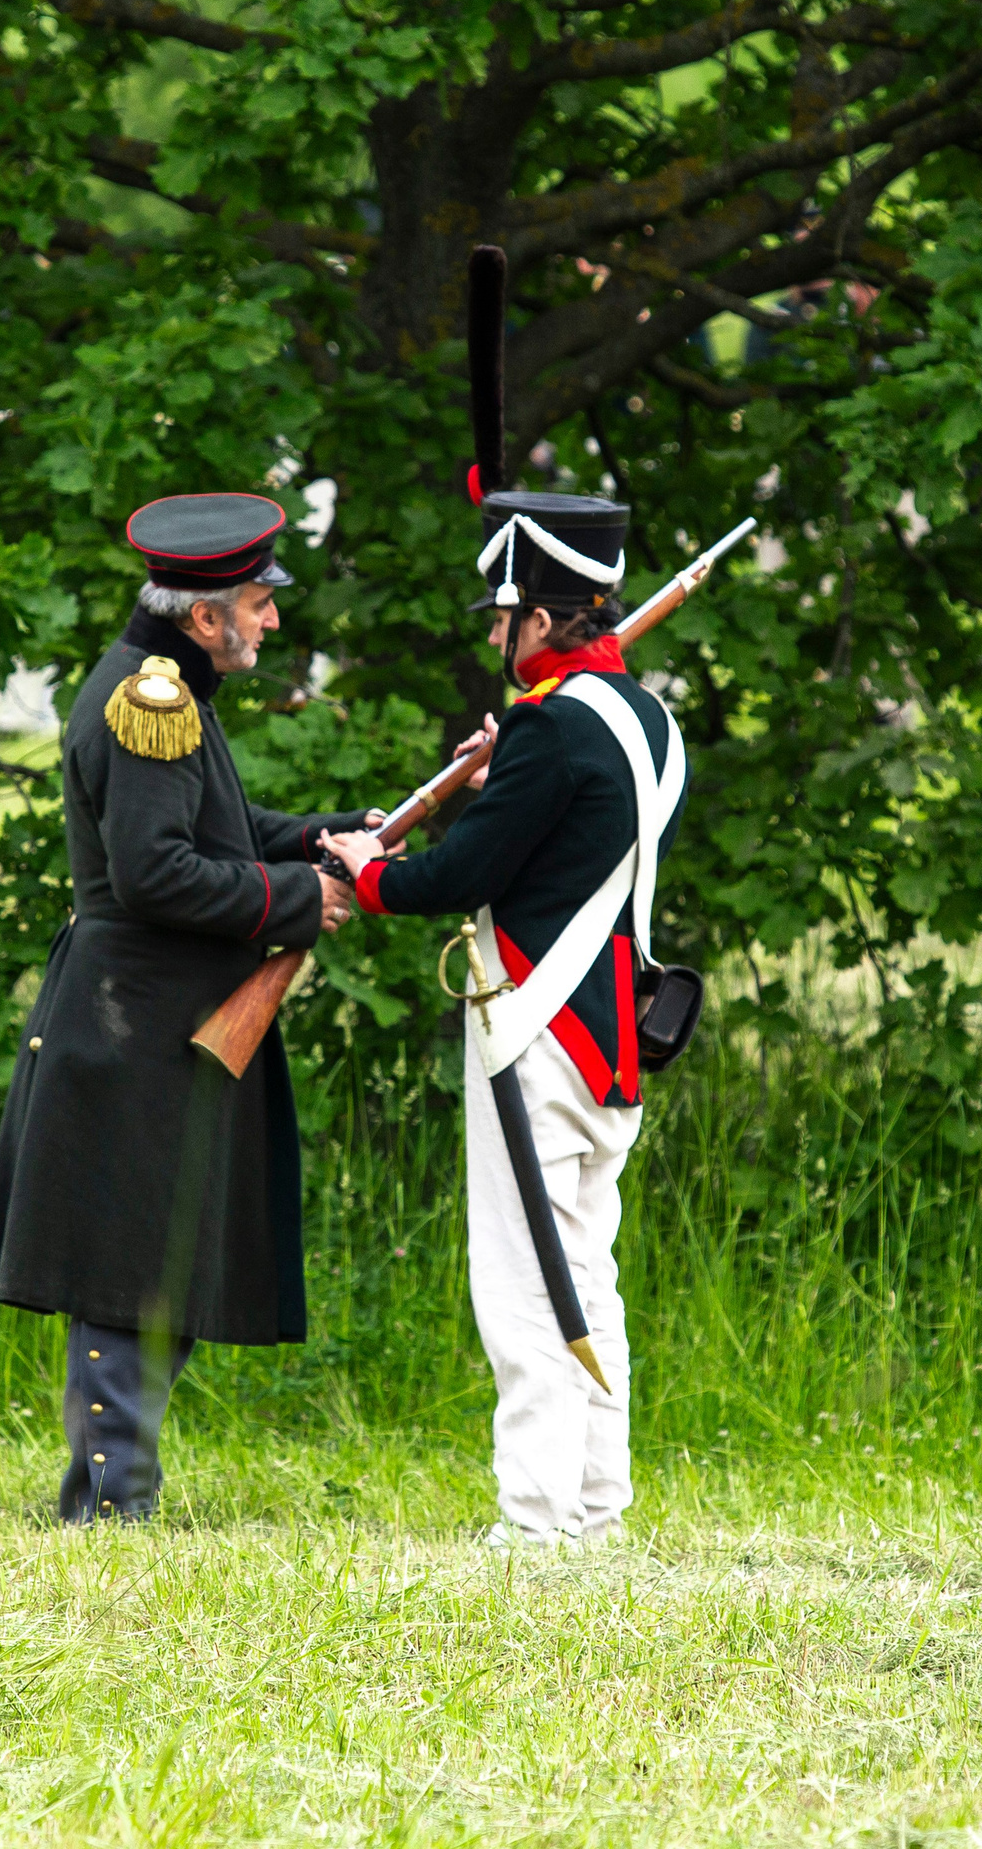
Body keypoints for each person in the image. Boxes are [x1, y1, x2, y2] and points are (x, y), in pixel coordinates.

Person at [0, 492, 375, 1524]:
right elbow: (155, 876)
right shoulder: (150, 702)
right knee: (123, 1273)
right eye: (257, 601)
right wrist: (296, 897)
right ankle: (106, 1506)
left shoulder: (170, 691)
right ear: (203, 616)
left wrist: (334, 838)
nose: (271, 619)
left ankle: (114, 1493)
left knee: (153, 1267)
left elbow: (224, 827)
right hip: (133, 1021)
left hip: (148, 1019)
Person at [321, 491, 684, 1549]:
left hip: (538, 1029)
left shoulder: (551, 725)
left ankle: (535, 1524)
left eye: (503, 613)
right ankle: (594, 1511)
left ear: (543, 615)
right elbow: (563, 838)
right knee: (584, 1277)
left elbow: (465, 875)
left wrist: (370, 871)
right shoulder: (643, 719)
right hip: (609, 1030)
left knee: (525, 1287)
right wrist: (498, 769)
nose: (493, 632)